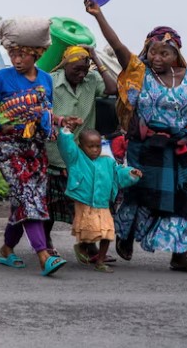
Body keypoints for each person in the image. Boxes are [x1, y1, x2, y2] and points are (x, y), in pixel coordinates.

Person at [85, 0, 187, 274]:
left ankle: (179, 256)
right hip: (144, 147)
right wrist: (99, 15)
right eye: (152, 52)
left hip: (179, 147)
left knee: (186, 197)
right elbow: (119, 45)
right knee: (137, 194)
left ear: (176, 55)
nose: (157, 58)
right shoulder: (139, 72)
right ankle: (125, 236)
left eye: (164, 54)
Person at [0, 27, 67, 277]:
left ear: (36, 54)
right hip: (7, 144)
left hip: (35, 146)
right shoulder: (0, 77)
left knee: (26, 198)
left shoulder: (46, 79)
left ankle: (7, 248)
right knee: (27, 192)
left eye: (22, 55)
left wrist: (60, 121)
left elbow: (46, 112)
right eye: (13, 54)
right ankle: (43, 255)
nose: (17, 60)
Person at [44, 45, 118, 256]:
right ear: (65, 64)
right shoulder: (51, 81)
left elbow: (112, 89)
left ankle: (87, 244)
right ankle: (46, 244)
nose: (81, 73)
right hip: (55, 152)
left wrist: (95, 56)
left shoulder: (92, 80)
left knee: (87, 203)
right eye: (76, 68)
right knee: (50, 204)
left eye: (84, 69)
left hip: (82, 155)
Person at [57, 127, 142, 273]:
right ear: (81, 146)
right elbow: (66, 147)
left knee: (107, 231)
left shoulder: (107, 161)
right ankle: (82, 246)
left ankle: (100, 261)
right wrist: (65, 133)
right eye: (90, 146)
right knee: (89, 229)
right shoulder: (76, 158)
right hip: (84, 200)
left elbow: (118, 173)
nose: (95, 150)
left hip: (103, 202)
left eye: (97, 146)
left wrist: (131, 173)